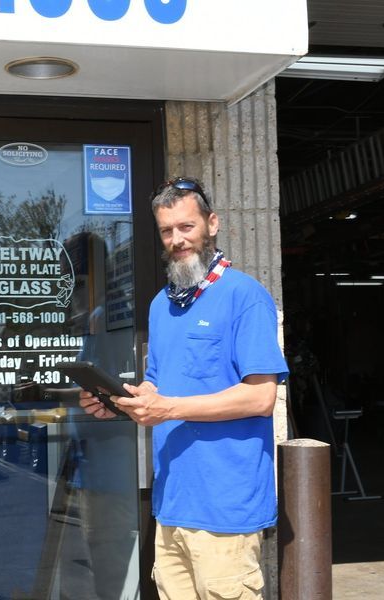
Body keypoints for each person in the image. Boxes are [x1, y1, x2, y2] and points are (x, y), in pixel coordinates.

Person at [79, 177, 288, 600]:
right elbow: (160, 385)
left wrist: (168, 408)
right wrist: (120, 402)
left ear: (212, 224)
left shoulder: (245, 296)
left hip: (225, 507)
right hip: (172, 502)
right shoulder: (162, 305)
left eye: (186, 227)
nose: (177, 239)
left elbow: (261, 397)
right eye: (167, 230)